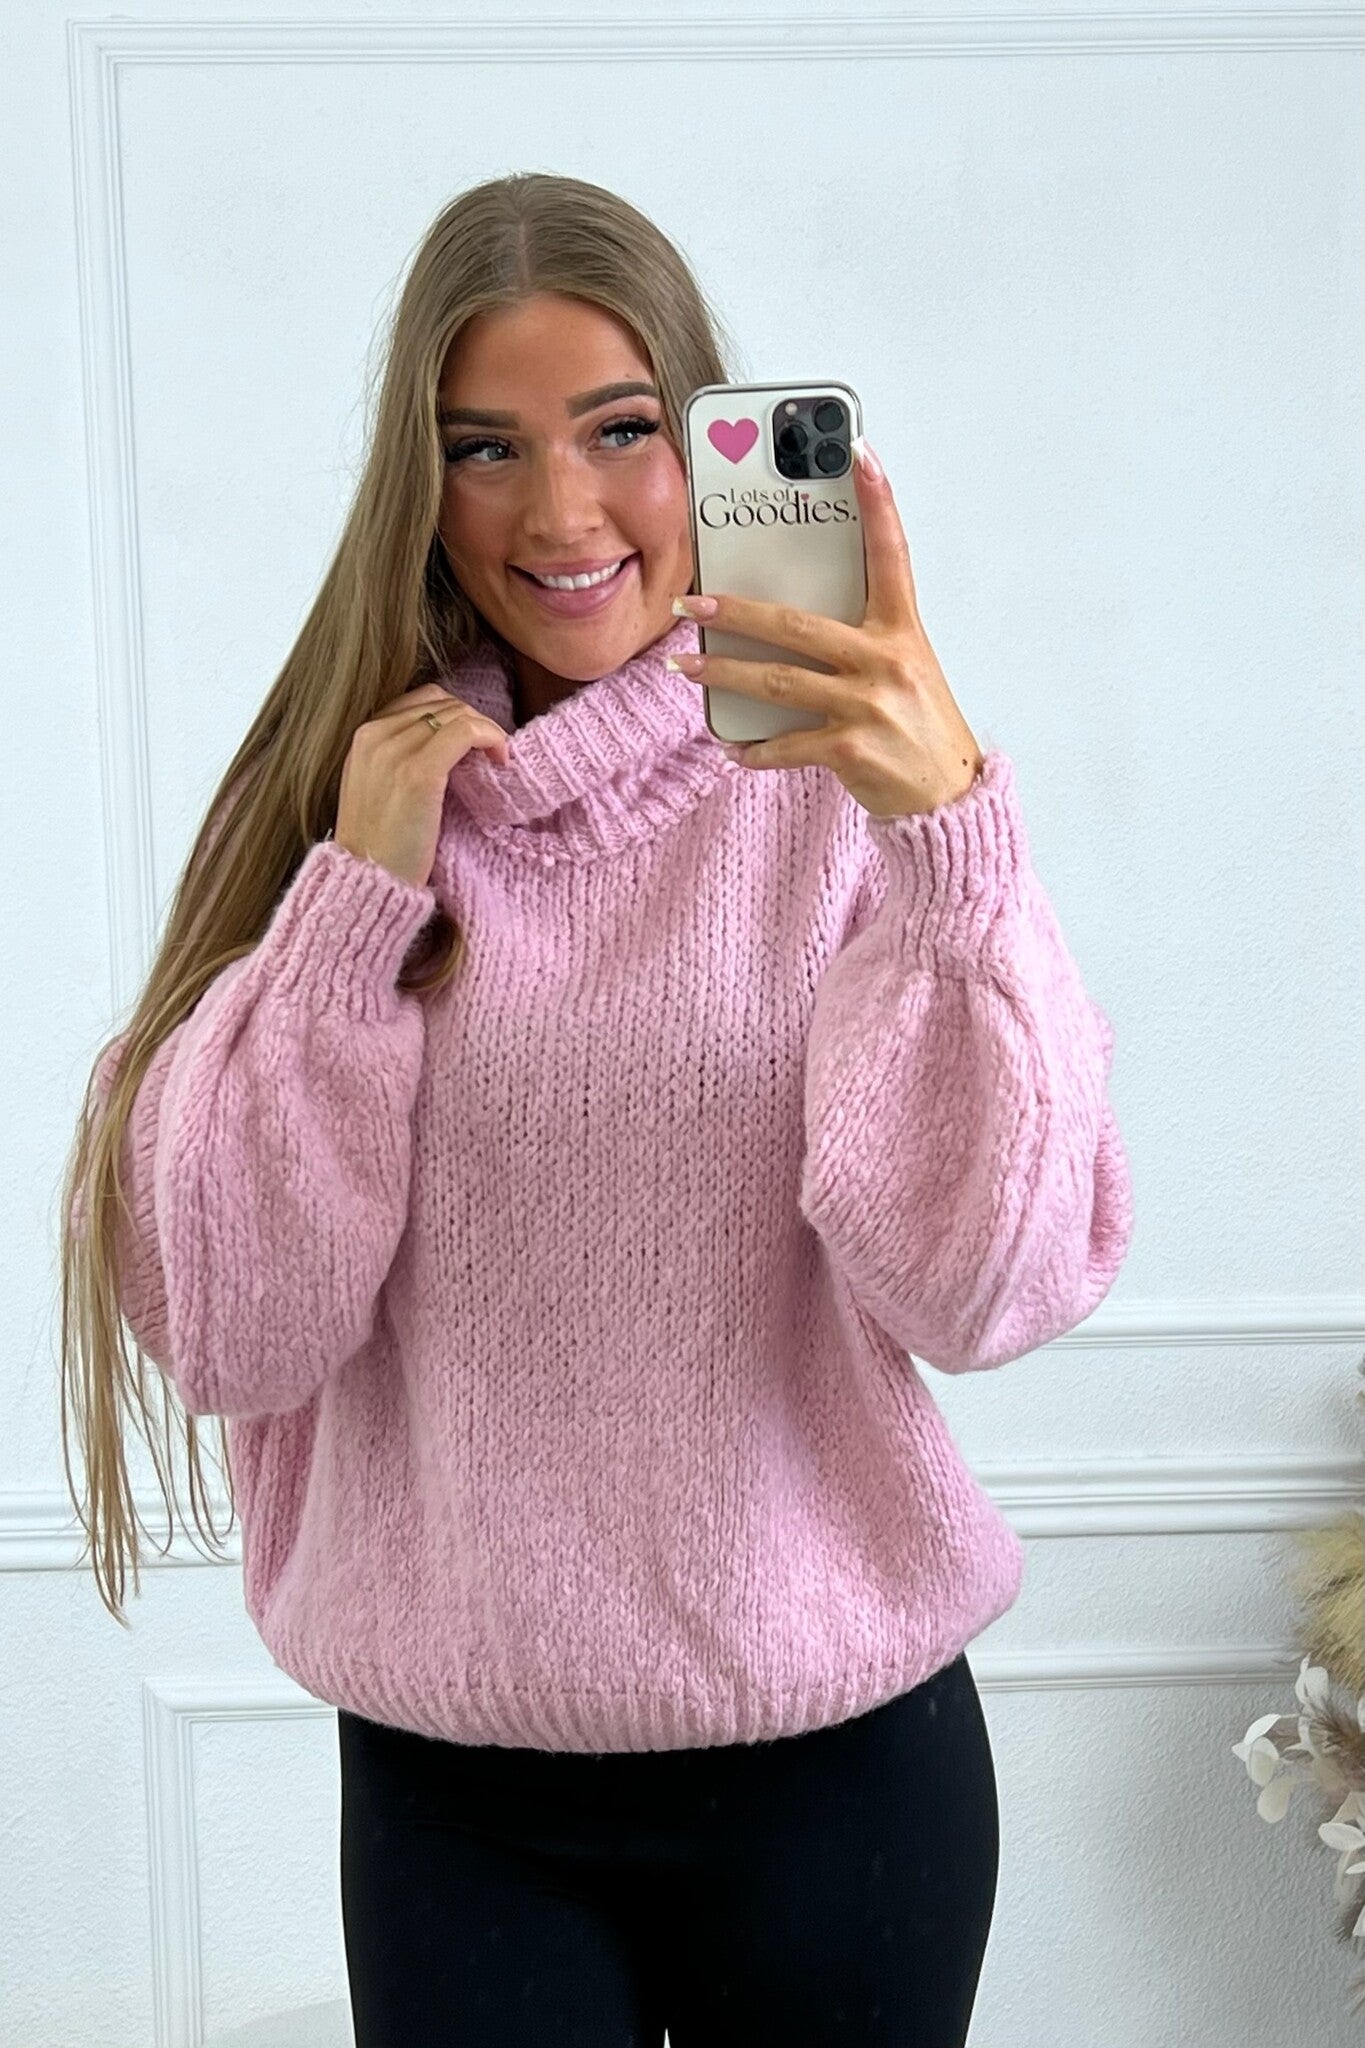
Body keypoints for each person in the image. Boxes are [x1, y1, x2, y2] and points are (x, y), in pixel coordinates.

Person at [59, 172, 1134, 2046]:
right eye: (483, 448)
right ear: (417, 483)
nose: (556, 514)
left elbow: (985, 1290)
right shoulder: (343, 801)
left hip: (840, 1775)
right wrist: (354, 904)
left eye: (620, 430)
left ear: (714, 450)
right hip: (459, 1794)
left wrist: (950, 845)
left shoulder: (845, 793)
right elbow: (232, 1328)